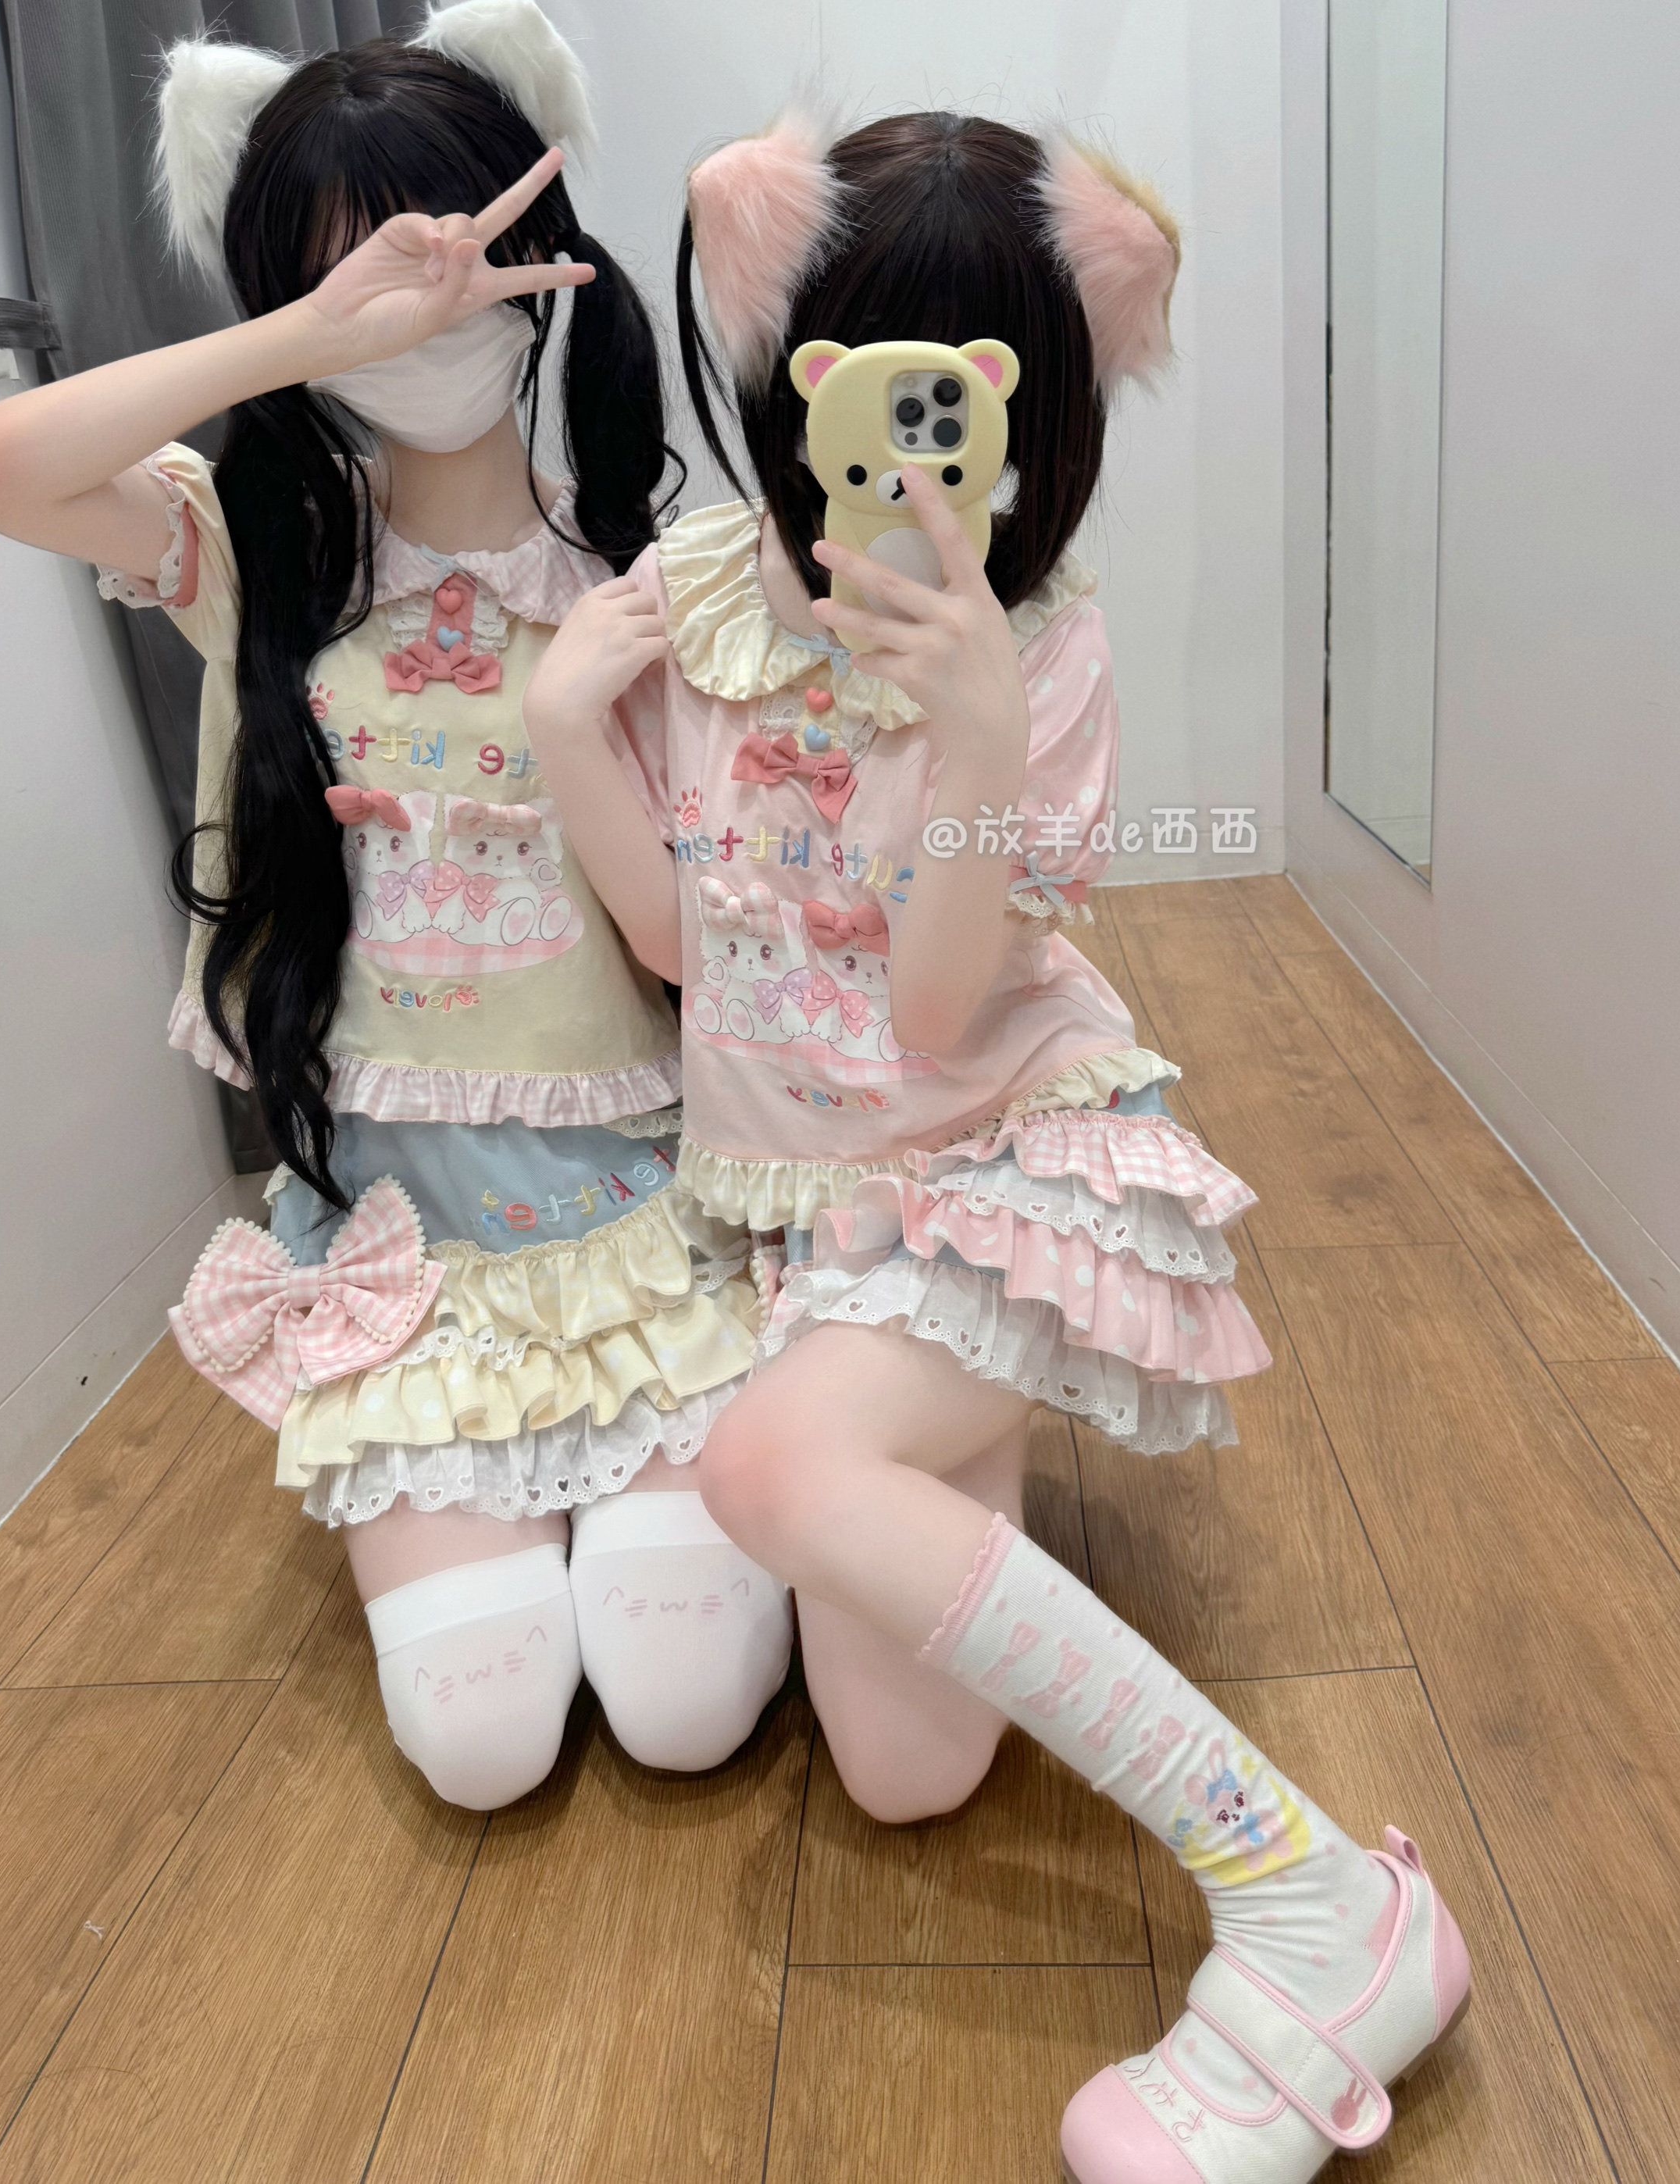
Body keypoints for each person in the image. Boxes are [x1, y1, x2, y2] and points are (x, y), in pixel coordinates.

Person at [522, 107, 1471, 2180]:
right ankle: (926, 1445)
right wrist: (559, 728)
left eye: (964, 399)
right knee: (905, 1780)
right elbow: (678, 943)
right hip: (804, 1200)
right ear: (793, 372)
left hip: (995, 1161)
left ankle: (1317, 1894)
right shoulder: (694, 598)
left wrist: (967, 732)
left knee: (771, 1471)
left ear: (1034, 408)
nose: (910, 451)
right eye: (868, 383)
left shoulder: (1043, 652)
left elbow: (942, 1014)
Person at [0, 4, 790, 1815]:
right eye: (357, 273)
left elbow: (697, 942)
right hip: (406, 1238)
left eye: (454, 256)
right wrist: (308, 336)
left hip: (640, 1208)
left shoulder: (642, 575)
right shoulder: (263, 553)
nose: (422, 310)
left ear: (540, 257)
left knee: (683, 1707)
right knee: (481, 1745)